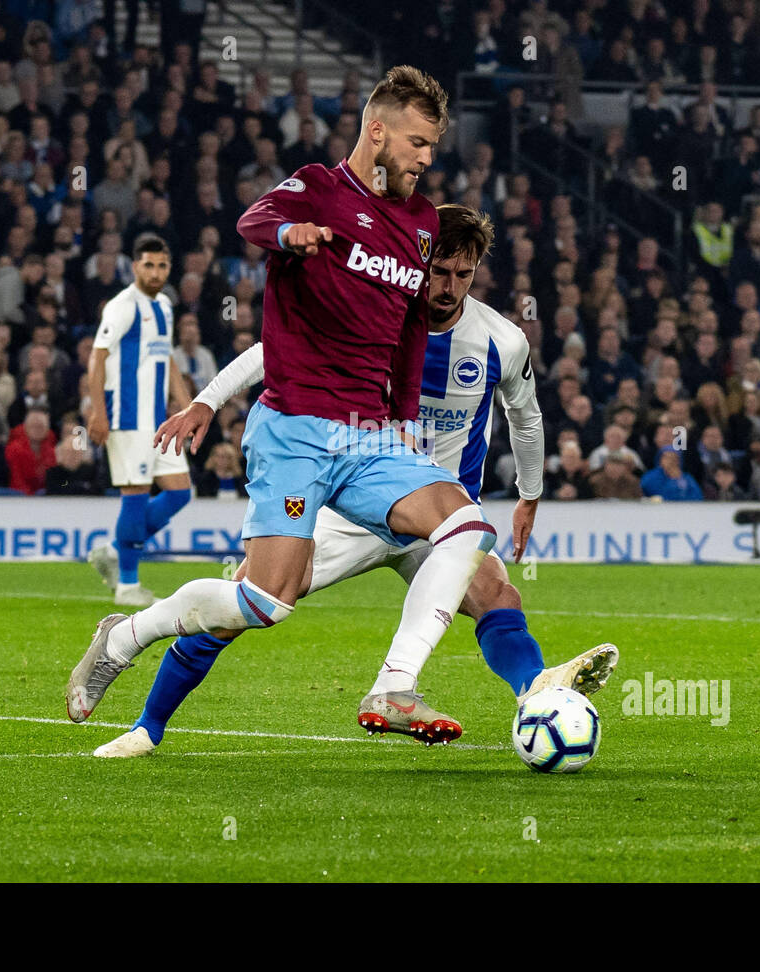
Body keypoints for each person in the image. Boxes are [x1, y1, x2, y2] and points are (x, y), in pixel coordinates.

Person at [67, 69, 525, 756]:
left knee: (464, 524)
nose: (428, 158)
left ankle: (394, 685)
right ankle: (125, 634)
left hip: (371, 434)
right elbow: (251, 220)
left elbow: (405, 334)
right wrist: (290, 237)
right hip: (296, 429)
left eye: (434, 145)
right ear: (378, 132)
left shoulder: (423, 222)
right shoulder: (319, 186)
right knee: (264, 602)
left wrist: (400, 419)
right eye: (418, 143)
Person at [108, 205, 620, 758]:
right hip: (351, 504)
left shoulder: (501, 341)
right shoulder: (376, 315)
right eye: (439, 271)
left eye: (462, 275)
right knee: (250, 604)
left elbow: (528, 417)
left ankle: (536, 693)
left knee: (498, 594)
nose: (448, 286)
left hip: (437, 518)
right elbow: (272, 351)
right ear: (418, 261)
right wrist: (206, 400)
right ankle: (147, 724)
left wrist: (529, 494)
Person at [83, 236, 194, 606]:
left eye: (162, 265)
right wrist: (98, 412)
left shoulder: (164, 305)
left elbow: (168, 360)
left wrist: (189, 406)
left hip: (157, 420)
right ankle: (128, 586)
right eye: (149, 265)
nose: (156, 272)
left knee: (179, 492)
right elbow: (97, 359)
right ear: (134, 267)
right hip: (126, 416)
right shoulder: (122, 306)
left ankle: (114, 550)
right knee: (135, 496)